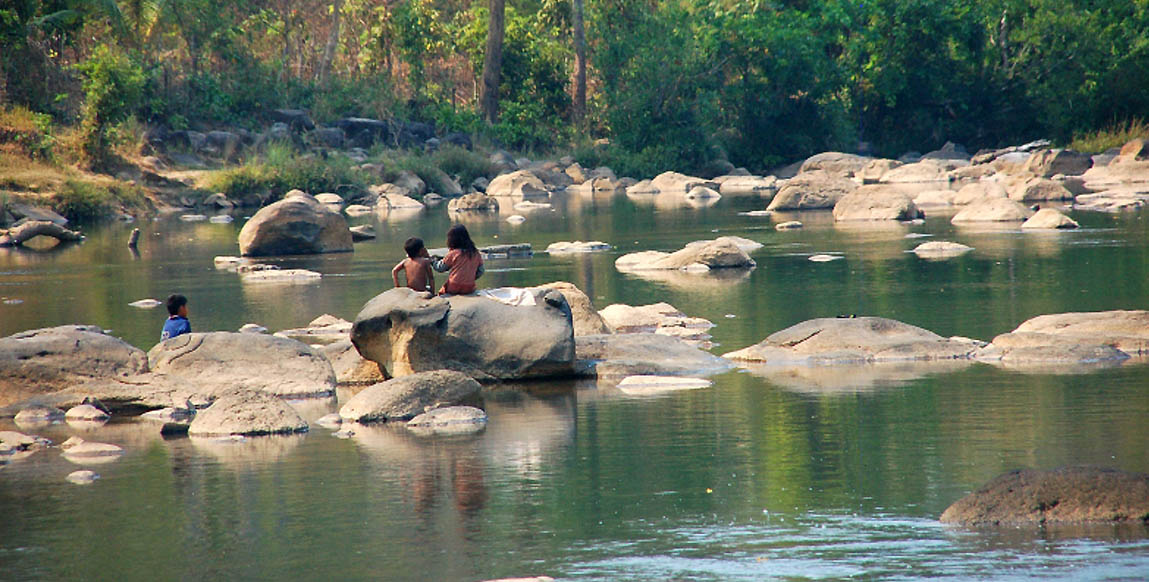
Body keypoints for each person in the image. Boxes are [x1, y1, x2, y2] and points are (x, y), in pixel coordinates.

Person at [432, 224, 484, 295]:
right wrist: (471, 278)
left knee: (442, 291)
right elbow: (481, 271)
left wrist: (433, 261)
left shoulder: (453, 254)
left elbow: (440, 268)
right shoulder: (475, 253)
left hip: (453, 286)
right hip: (469, 287)